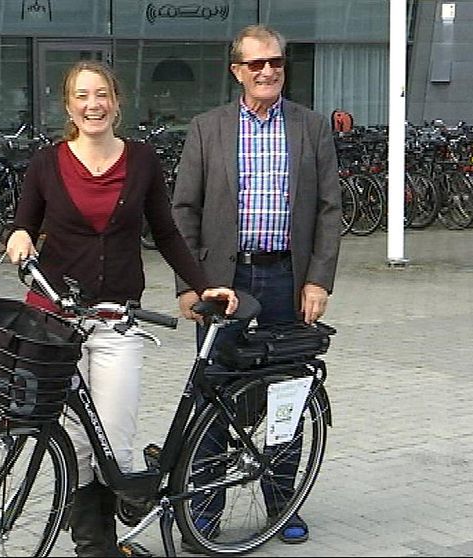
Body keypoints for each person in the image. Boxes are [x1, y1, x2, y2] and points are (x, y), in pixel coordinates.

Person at [5, 60, 238, 558]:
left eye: (102, 94)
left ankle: (139, 486)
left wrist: (202, 286)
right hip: (54, 318)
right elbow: (23, 222)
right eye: (83, 96)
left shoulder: (143, 159)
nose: (94, 105)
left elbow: (167, 230)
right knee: (78, 442)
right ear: (69, 106)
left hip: (117, 317)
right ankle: (97, 547)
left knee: (115, 443)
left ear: (117, 101)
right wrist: (20, 234)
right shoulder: (48, 163)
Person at [171, 24, 342, 546]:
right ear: (236, 72)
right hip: (224, 282)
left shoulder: (311, 128)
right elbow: (184, 210)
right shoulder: (208, 128)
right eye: (255, 64)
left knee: (287, 396)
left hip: (287, 283)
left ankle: (281, 502)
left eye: (276, 62)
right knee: (214, 394)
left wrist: (317, 280)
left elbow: (330, 210)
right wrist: (189, 284)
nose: (267, 71)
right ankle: (204, 509)